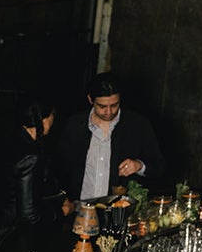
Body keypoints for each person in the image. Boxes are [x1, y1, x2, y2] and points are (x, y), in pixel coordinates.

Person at [55, 72, 165, 203]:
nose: (109, 112)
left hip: (118, 212)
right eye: (102, 106)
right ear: (90, 100)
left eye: (114, 105)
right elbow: (59, 167)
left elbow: (159, 166)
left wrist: (139, 165)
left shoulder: (138, 125)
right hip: (80, 209)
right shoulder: (74, 124)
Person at [2, 96, 67, 226]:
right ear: (44, 119)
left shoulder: (13, 138)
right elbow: (29, 216)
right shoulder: (30, 156)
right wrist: (63, 211)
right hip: (12, 233)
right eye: (52, 115)